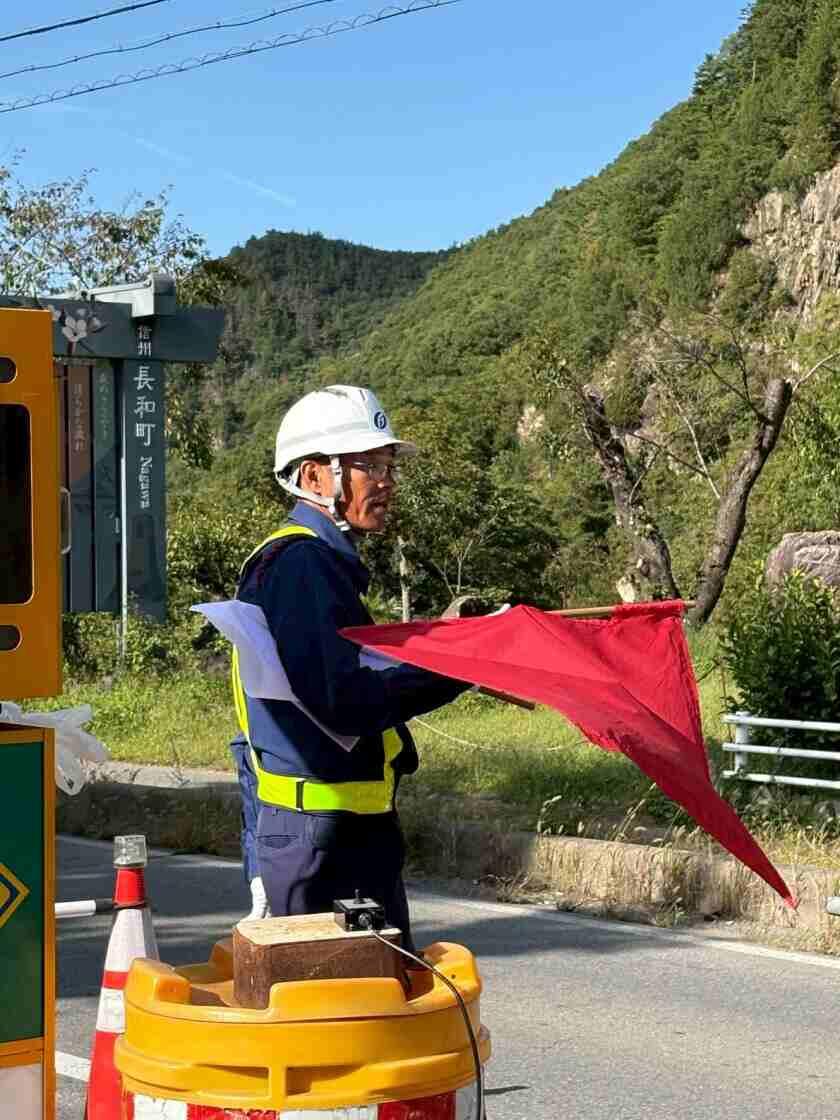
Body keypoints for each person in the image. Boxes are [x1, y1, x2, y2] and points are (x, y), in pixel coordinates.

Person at [229, 384, 469, 947]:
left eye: (387, 466)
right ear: (315, 476)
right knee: (342, 1017)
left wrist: (444, 639)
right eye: (368, 466)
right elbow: (343, 699)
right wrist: (457, 663)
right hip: (326, 840)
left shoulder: (318, 563)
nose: (385, 481)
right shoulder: (302, 566)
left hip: (333, 831)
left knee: (365, 1009)